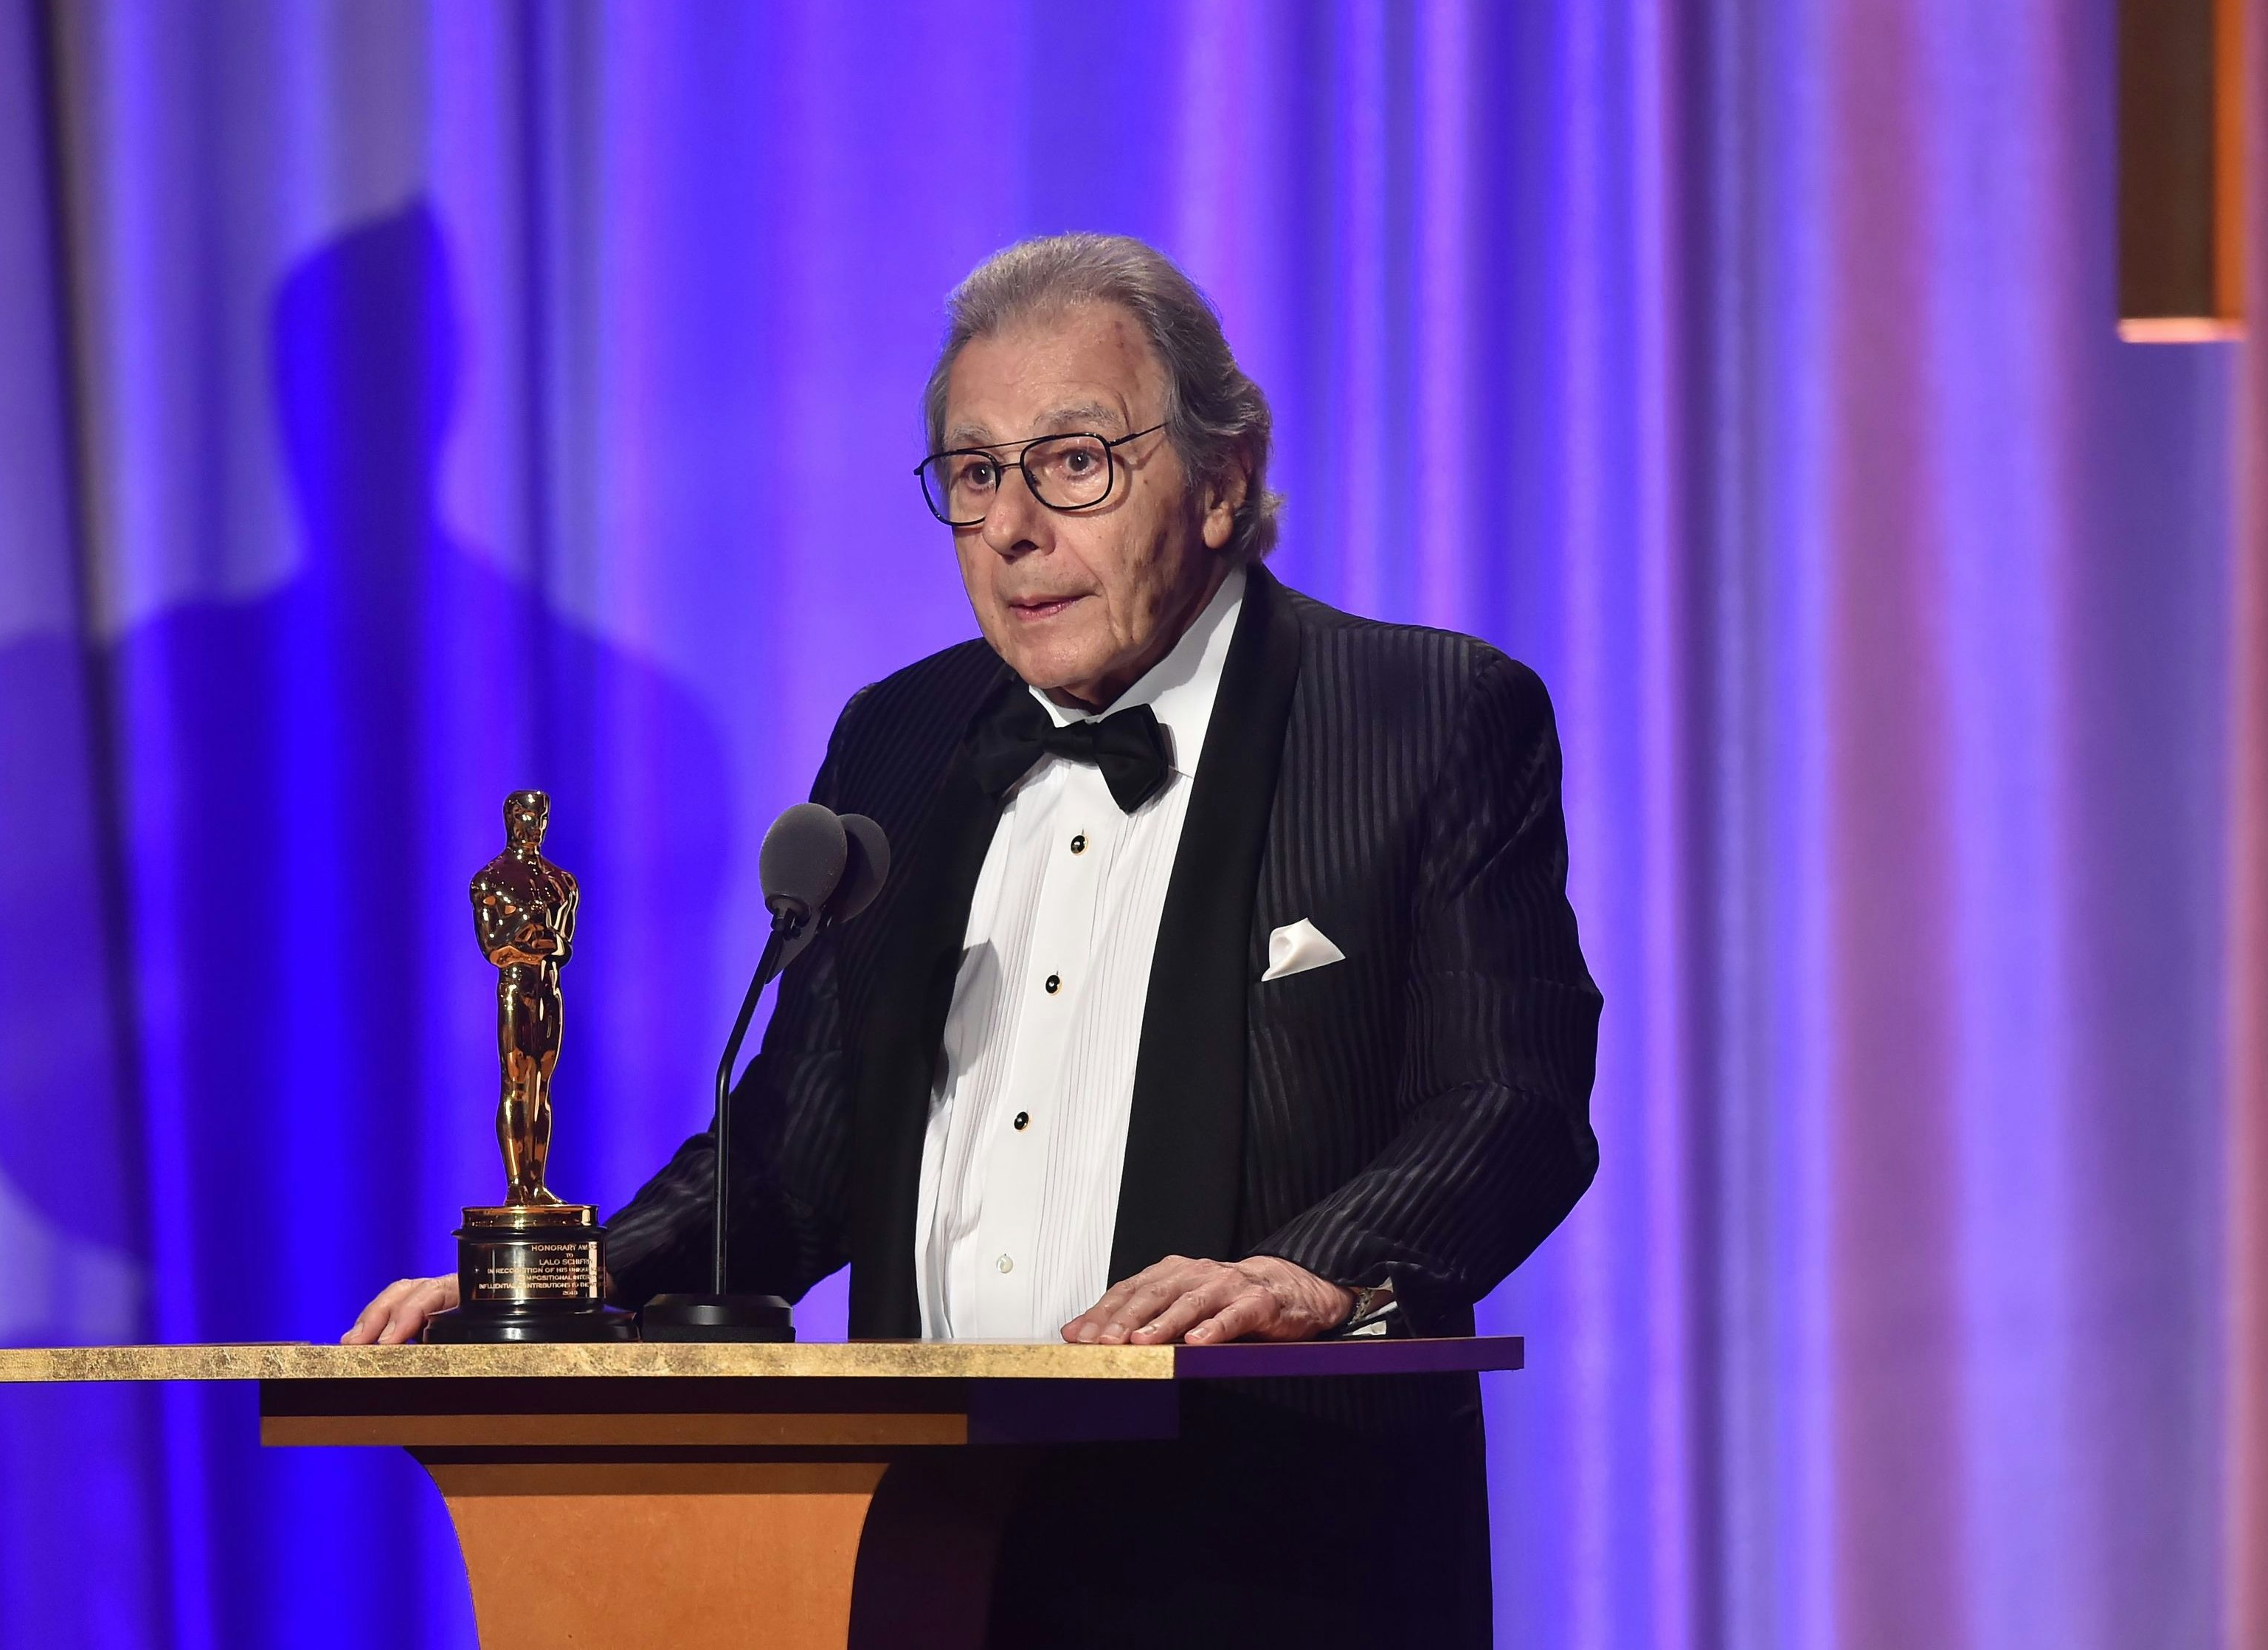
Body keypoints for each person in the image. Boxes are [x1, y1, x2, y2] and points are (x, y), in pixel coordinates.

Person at [348, 233, 1600, 1645]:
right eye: (975, 472)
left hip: (1272, 1552)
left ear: (1221, 483)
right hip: (918, 1564)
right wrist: (562, 1284)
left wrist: (1308, 1269)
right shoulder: (901, 737)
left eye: (1076, 461)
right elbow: (799, 1152)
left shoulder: (1418, 716)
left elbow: (1514, 1100)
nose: (1012, 527)